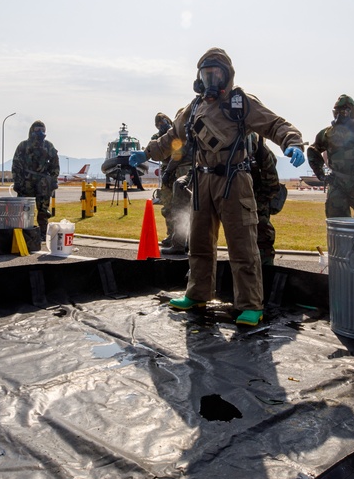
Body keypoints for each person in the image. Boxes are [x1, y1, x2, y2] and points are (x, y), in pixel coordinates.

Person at [131, 48, 306, 326]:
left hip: (234, 181)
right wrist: (147, 152)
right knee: (199, 242)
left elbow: (274, 124)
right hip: (201, 181)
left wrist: (292, 142)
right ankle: (198, 293)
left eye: (216, 73)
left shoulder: (240, 103)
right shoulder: (194, 107)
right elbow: (172, 137)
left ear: (227, 76)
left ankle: (250, 304)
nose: (211, 79)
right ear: (199, 77)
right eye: (206, 73)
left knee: (242, 245)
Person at [153, 111, 194, 254]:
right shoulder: (194, 132)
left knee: (181, 208)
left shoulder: (184, 135)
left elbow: (177, 155)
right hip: (192, 170)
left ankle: (180, 243)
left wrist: (168, 171)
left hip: (183, 171)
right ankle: (184, 240)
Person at [12, 120, 60, 235]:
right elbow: (16, 165)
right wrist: (17, 182)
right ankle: (24, 233)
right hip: (26, 183)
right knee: (25, 209)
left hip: (43, 183)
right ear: (32, 131)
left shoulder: (49, 146)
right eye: (38, 130)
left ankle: (43, 233)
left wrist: (53, 181)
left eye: (43, 130)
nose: (41, 133)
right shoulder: (23, 146)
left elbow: (55, 165)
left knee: (43, 209)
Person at [249, 133, 284, 265]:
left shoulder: (259, 150)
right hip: (238, 199)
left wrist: (259, 203)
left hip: (258, 199)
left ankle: (266, 275)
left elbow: (272, 184)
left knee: (263, 239)